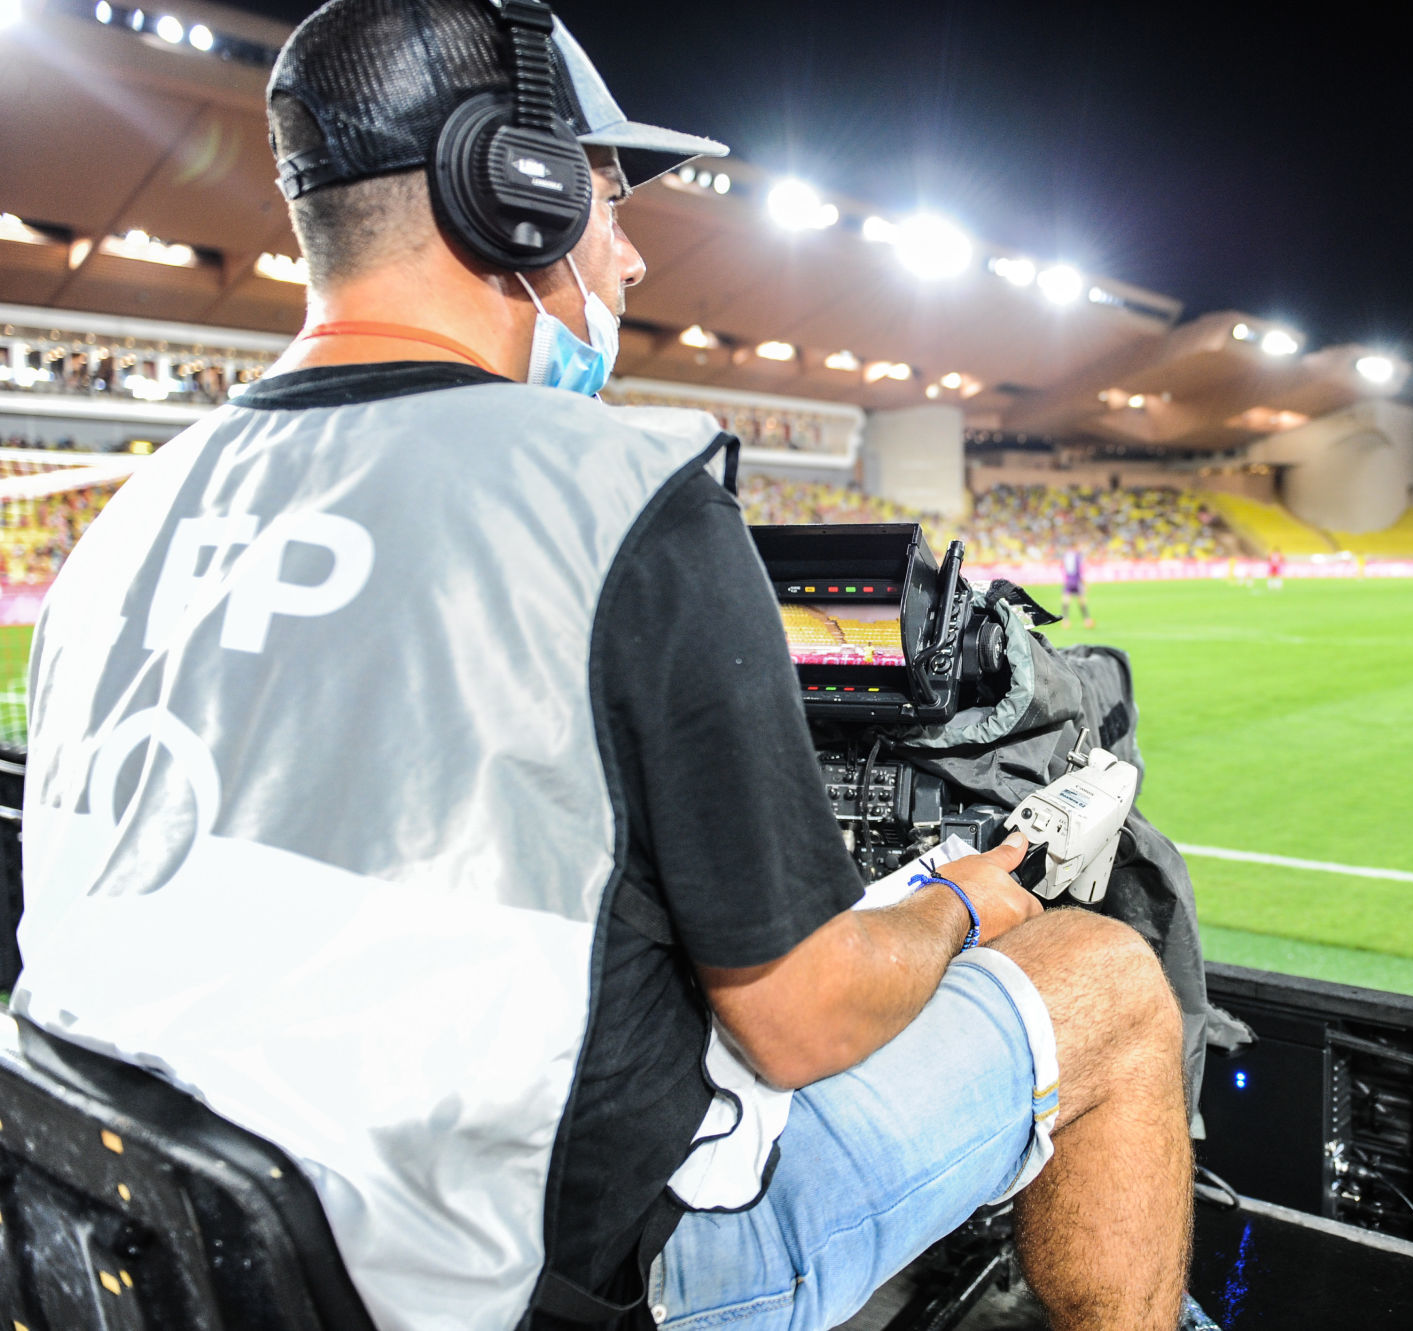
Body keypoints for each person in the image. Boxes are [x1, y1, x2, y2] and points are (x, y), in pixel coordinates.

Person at [10, 4, 1193, 1330]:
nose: (627, 255)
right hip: (539, 1288)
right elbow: (805, 1019)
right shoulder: (617, 496)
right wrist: (967, 904)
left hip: (176, 1268)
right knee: (1110, 984)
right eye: (606, 196)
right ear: (510, 190)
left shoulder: (123, 523)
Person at [1060, 547, 1096, 628]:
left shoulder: (1066, 556)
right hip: (1077, 581)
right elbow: (1080, 571)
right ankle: (1087, 620)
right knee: (1082, 601)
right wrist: (1085, 584)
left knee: (1066, 600)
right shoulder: (1077, 556)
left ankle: (1065, 621)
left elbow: (1063, 569)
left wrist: (1065, 580)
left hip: (1068, 581)